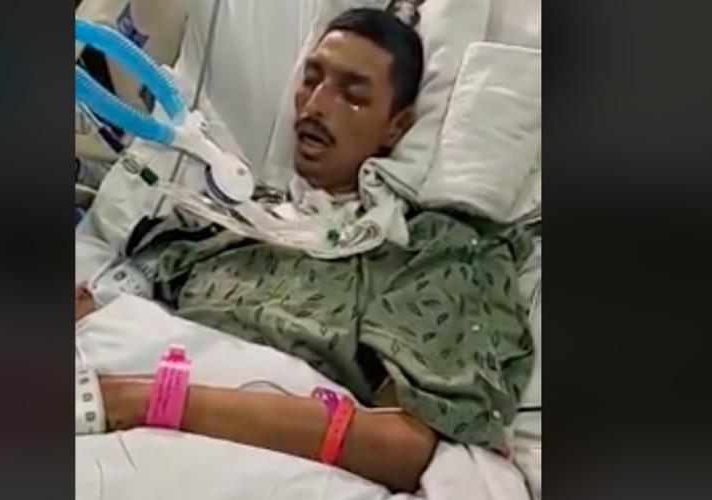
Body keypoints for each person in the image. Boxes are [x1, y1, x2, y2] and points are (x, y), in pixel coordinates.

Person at [76, 8, 534, 493]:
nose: (316, 106)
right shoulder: (233, 222)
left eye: (353, 95)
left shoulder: (424, 249)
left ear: (397, 126)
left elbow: (401, 446)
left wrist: (148, 400)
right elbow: (124, 309)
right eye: (311, 80)